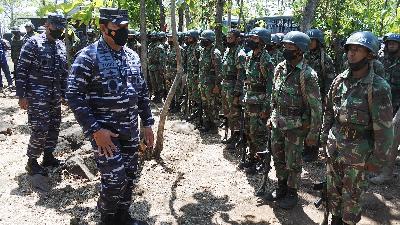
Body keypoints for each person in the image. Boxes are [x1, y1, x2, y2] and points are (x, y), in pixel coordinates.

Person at [66, 8, 154, 225]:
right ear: (103, 28)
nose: (124, 31)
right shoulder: (88, 56)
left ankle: (123, 217)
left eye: (126, 27)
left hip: (130, 131)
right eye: (118, 28)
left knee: (130, 177)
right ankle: (107, 219)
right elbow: (74, 96)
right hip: (105, 134)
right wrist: (95, 131)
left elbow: (141, 93)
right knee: (115, 180)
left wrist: (148, 123)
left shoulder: (132, 56)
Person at [321, 31, 393, 225]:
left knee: (352, 198)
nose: (351, 54)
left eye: (357, 50)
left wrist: (377, 159)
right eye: (349, 50)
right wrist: (323, 141)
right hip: (335, 148)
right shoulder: (338, 81)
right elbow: (328, 113)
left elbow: (385, 129)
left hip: (358, 155)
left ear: (369, 55)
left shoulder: (378, 87)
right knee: (333, 192)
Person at [266, 31, 322, 209]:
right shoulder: (280, 68)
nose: (286, 49)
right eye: (285, 46)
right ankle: (281, 186)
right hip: (278, 123)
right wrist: (271, 116)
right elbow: (274, 96)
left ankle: (292, 192)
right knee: (278, 157)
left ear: (300, 50)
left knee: (293, 161)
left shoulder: (308, 75)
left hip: (296, 127)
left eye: (290, 46)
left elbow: (316, 108)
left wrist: (313, 134)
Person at [16, 13, 68, 176]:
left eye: (61, 27)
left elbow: (64, 72)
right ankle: (32, 162)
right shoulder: (33, 43)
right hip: (37, 97)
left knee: (54, 126)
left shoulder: (60, 45)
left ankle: (48, 156)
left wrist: (65, 93)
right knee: (40, 129)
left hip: (54, 96)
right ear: (47, 25)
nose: (58, 30)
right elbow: (21, 69)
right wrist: (21, 95)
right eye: (55, 27)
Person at [239, 27, 274, 174]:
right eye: (251, 38)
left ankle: (262, 162)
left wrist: (266, 108)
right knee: (248, 132)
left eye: (254, 39)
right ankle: (252, 159)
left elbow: (270, 87)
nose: (250, 41)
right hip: (249, 102)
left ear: (262, 42)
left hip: (259, 104)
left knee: (259, 133)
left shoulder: (266, 60)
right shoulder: (250, 57)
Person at [370, 33, 400, 184]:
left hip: (397, 102)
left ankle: (386, 172)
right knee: (378, 132)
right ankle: (376, 166)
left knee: (393, 134)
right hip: (383, 101)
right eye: (389, 43)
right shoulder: (383, 59)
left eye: (394, 43)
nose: (391, 45)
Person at [303, 28, 336, 162]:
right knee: (305, 121)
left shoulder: (325, 59)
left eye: (313, 41)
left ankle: (313, 151)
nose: (310, 43)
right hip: (304, 95)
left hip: (318, 96)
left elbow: (329, 80)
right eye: (309, 40)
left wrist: (326, 99)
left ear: (319, 42)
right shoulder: (304, 55)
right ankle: (305, 147)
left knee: (316, 123)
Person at [221, 29, 246, 150]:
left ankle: (238, 138)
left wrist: (237, 93)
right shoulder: (227, 51)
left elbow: (241, 75)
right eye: (227, 38)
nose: (228, 40)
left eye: (231, 38)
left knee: (235, 114)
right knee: (228, 114)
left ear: (238, 39)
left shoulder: (240, 54)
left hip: (233, 88)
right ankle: (232, 135)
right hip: (225, 86)